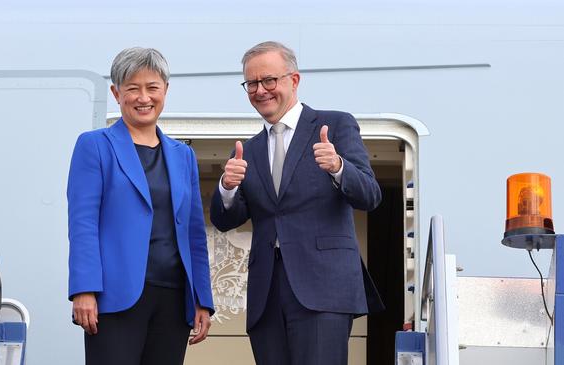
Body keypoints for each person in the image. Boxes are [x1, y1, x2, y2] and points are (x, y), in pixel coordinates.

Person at [210, 41, 383, 365]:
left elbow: (370, 195)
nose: (260, 90)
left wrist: (338, 167)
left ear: (294, 80)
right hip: (266, 293)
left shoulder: (334, 125)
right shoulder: (250, 148)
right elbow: (224, 219)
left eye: (269, 80)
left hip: (323, 288)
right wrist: (227, 187)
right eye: (252, 83)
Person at [67, 47, 214, 365]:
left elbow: (193, 233)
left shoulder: (182, 155)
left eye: (152, 87)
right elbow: (83, 224)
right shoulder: (94, 146)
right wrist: (84, 289)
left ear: (165, 90)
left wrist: (202, 298)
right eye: (132, 88)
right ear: (116, 92)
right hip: (115, 296)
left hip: (174, 298)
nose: (143, 97)